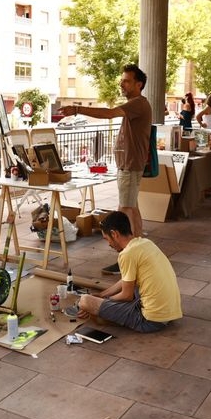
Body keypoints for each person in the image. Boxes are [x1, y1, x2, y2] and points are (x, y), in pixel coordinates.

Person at [59, 64, 151, 275]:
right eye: (122, 80)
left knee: (124, 211)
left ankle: (126, 259)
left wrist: (77, 109)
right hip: (129, 164)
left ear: (139, 84)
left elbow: (110, 113)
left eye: (127, 81)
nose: (122, 84)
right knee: (132, 208)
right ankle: (139, 252)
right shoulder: (137, 104)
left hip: (130, 165)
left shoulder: (137, 103)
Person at [77, 211, 181, 332]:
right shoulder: (146, 243)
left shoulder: (127, 254)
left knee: (85, 301)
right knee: (130, 284)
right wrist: (101, 295)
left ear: (114, 234)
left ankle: (112, 314)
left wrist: (103, 301)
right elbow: (126, 280)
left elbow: (127, 296)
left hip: (150, 321)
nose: (109, 244)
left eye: (107, 239)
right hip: (169, 313)